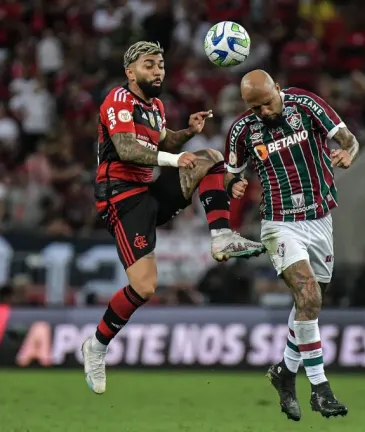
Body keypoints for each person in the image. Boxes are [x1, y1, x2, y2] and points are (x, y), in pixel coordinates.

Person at [81, 41, 265, 395]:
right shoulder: (118, 100)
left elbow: (163, 142)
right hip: (121, 199)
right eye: (149, 65)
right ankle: (97, 346)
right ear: (130, 72)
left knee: (209, 155)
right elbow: (127, 148)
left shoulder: (157, 107)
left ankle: (222, 235)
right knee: (145, 287)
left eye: (161, 65)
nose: (158, 71)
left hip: (148, 192)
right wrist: (172, 159)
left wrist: (188, 134)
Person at [224, 70, 358, 421]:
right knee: (309, 295)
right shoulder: (241, 131)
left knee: (308, 304)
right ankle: (320, 389)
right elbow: (231, 175)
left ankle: (285, 373)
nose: (264, 113)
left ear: (278, 90)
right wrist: (233, 186)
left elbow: (348, 138)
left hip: (320, 218)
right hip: (280, 223)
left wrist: (348, 151)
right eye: (255, 109)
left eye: (267, 103)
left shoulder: (306, 104)